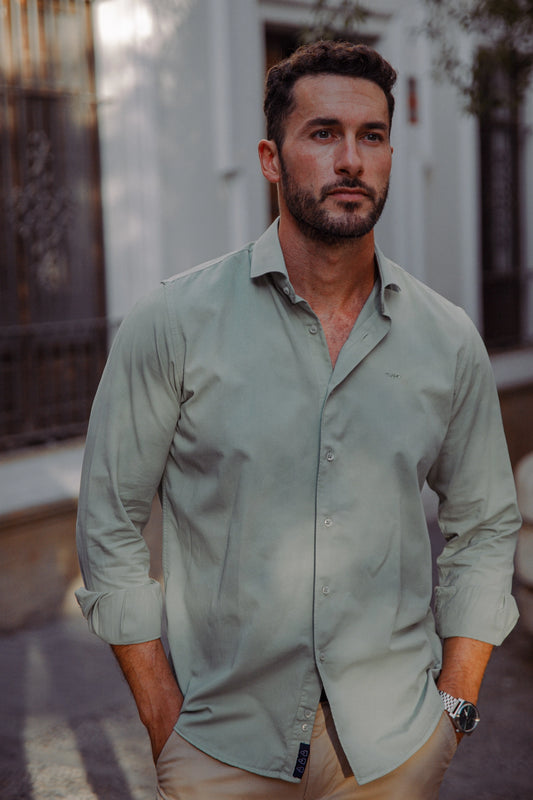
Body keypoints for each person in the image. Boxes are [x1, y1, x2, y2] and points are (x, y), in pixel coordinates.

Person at [76, 40, 520, 799]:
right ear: (270, 159)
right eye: (322, 134)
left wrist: (454, 708)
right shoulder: (173, 322)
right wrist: (163, 721)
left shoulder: (446, 339)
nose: (350, 159)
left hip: (393, 750)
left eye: (371, 136)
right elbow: (109, 523)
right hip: (221, 750)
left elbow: (484, 525)